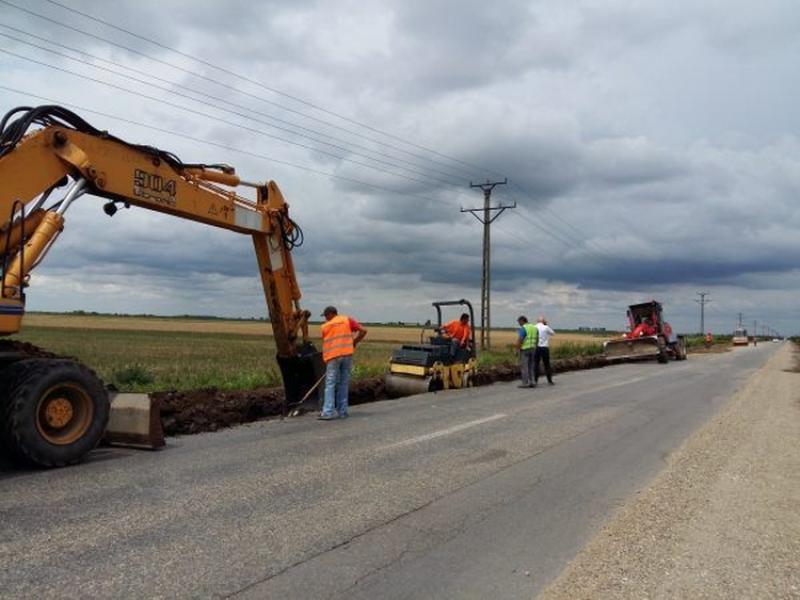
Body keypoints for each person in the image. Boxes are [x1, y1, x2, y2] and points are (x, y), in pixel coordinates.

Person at [319, 306, 367, 420]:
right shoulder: (347, 320)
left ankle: (328, 412)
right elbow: (363, 331)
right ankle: (342, 411)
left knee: (330, 383)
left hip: (333, 357)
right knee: (343, 383)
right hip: (347, 355)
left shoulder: (326, 326)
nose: (326, 319)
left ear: (331, 314)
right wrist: (354, 342)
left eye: (326, 316)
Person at [516, 315, 538, 388]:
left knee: (524, 367)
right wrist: (535, 346)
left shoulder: (523, 328)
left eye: (519, 322)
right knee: (531, 366)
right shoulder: (534, 328)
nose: (519, 323)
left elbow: (520, 339)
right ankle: (532, 381)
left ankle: (525, 383)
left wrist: (517, 349)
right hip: (533, 349)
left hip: (525, 349)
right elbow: (537, 338)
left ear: (522, 321)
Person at [533, 316, 556, 386]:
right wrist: (546, 325)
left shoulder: (534, 327)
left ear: (537, 321)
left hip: (537, 347)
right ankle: (549, 380)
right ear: (543, 321)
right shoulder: (546, 327)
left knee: (536, 364)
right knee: (547, 364)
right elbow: (553, 333)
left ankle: (535, 381)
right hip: (545, 348)